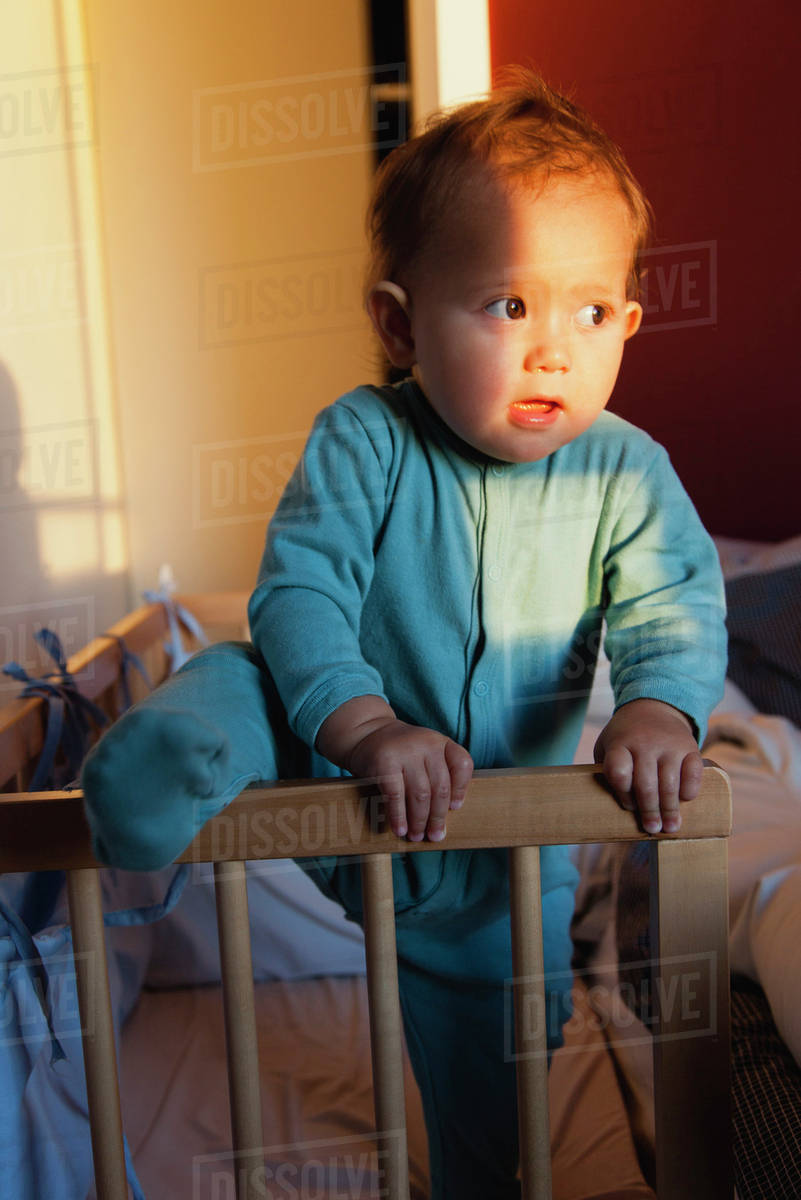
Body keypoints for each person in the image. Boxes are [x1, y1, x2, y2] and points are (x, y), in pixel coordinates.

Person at [82, 71, 726, 1198]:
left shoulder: (630, 472)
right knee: (241, 673)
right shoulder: (367, 437)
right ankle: (152, 773)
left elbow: (673, 602)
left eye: (587, 311)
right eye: (507, 306)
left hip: (499, 849)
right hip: (334, 759)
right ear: (399, 324)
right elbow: (302, 594)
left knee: (497, 1090)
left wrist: (660, 705)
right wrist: (367, 722)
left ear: (626, 321)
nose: (550, 351)